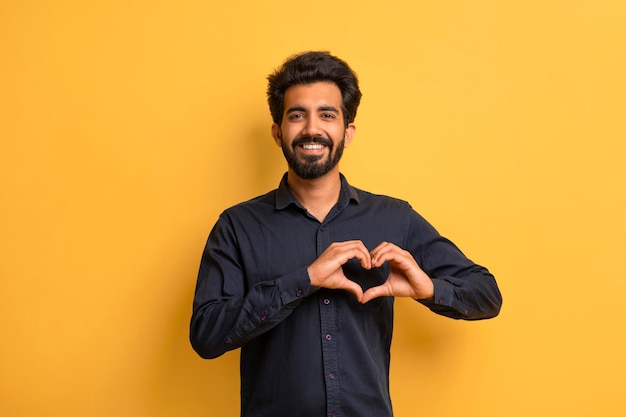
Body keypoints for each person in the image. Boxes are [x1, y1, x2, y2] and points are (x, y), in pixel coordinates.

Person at [190, 51, 502, 417]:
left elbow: (486, 293)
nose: (311, 129)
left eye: (327, 114)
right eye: (296, 115)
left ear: (347, 132)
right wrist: (304, 279)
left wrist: (429, 288)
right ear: (278, 133)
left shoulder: (394, 218)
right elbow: (206, 335)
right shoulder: (237, 226)